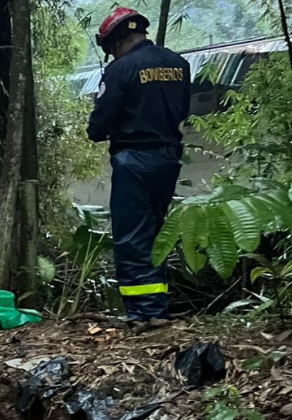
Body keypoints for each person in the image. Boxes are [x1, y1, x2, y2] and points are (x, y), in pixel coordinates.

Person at [87, 7, 191, 328]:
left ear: (117, 40)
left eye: (111, 48)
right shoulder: (179, 64)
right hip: (168, 158)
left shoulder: (120, 70)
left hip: (133, 160)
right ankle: (156, 306)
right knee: (154, 234)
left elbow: (98, 127)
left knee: (132, 237)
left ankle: (143, 313)